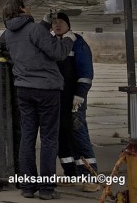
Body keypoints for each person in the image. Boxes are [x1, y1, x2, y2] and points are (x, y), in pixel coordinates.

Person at [1, 0, 75, 200]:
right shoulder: (34, 29)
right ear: (22, 9)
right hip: (46, 89)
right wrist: (69, 38)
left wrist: (43, 23)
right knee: (50, 140)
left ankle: (27, 187)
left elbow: (30, 41)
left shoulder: (9, 33)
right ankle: (46, 189)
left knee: (28, 137)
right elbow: (57, 52)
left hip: (24, 89)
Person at [52, 12, 99, 192]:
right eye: (55, 22)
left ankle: (91, 176)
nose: (57, 25)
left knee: (78, 135)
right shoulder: (53, 43)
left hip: (73, 101)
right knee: (60, 138)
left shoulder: (78, 43)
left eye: (61, 22)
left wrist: (80, 94)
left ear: (68, 25)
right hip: (57, 101)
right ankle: (71, 174)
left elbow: (86, 72)